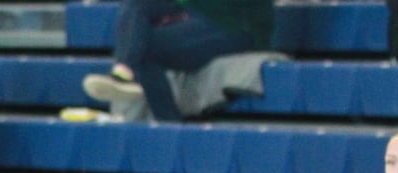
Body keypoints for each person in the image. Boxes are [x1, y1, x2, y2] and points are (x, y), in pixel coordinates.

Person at [80, 0, 273, 123]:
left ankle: (167, 123)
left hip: (237, 24)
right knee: (135, 6)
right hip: (203, 12)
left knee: (145, 46)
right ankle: (123, 72)